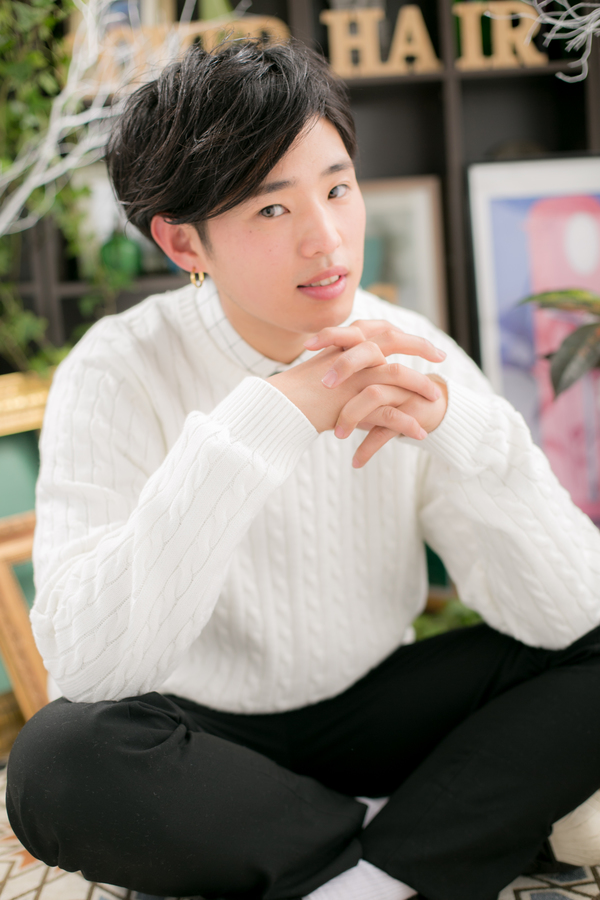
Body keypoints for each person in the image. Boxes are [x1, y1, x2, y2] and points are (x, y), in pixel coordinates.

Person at [6, 37, 600, 900]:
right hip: (201, 741)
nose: (326, 240)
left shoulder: (413, 352)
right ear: (183, 241)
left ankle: (364, 878)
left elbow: (570, 612)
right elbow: (92, 668)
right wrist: (272, 417)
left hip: (377, 711)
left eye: (337, 188)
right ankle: (414, 840)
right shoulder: (116, 369)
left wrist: (461, 430)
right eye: (272, 209)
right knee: (56, 765)